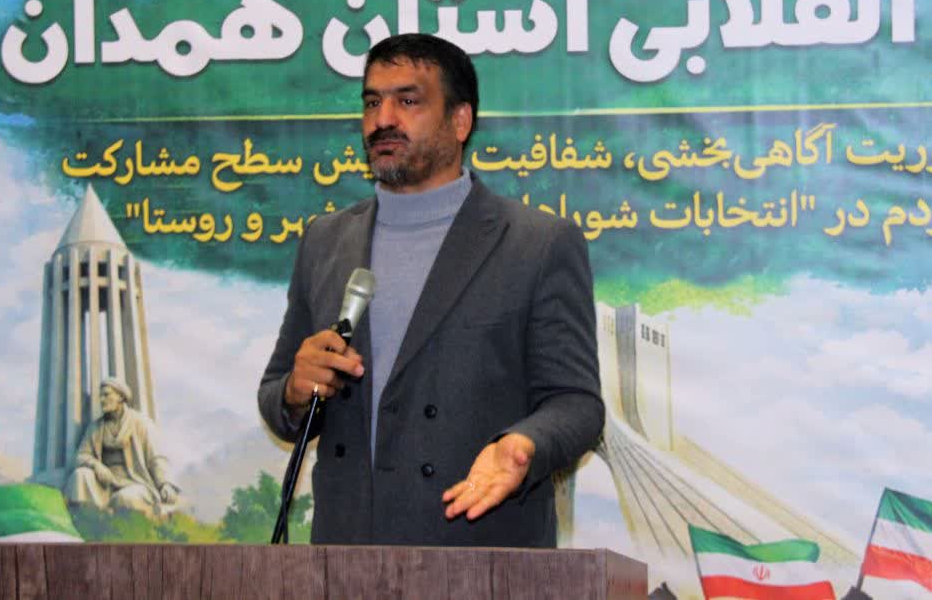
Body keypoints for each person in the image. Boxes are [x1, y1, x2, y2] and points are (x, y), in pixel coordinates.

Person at [258, 34, 603, 546]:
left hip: (479, 553)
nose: (382, 119)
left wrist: (524, 443)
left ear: (460, 121)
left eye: (408, 101)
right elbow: (276, 396)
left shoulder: (538, 243)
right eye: (372, 103)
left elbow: (577, 404)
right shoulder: (325, 240)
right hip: (344, 557)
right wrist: (293, 391)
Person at [65, 377, 179, 518]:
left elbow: (156, 458)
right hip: (106, 485)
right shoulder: (96, 427)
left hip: (135, 483)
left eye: (106, 394)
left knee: (125, 499)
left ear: (120, 397)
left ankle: (112, 519)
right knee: (80, 475)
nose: (101, 400)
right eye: (100, 396)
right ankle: (87, 519)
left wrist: (164, 484)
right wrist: (96, 465)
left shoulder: (141, 423)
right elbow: (81, 455)